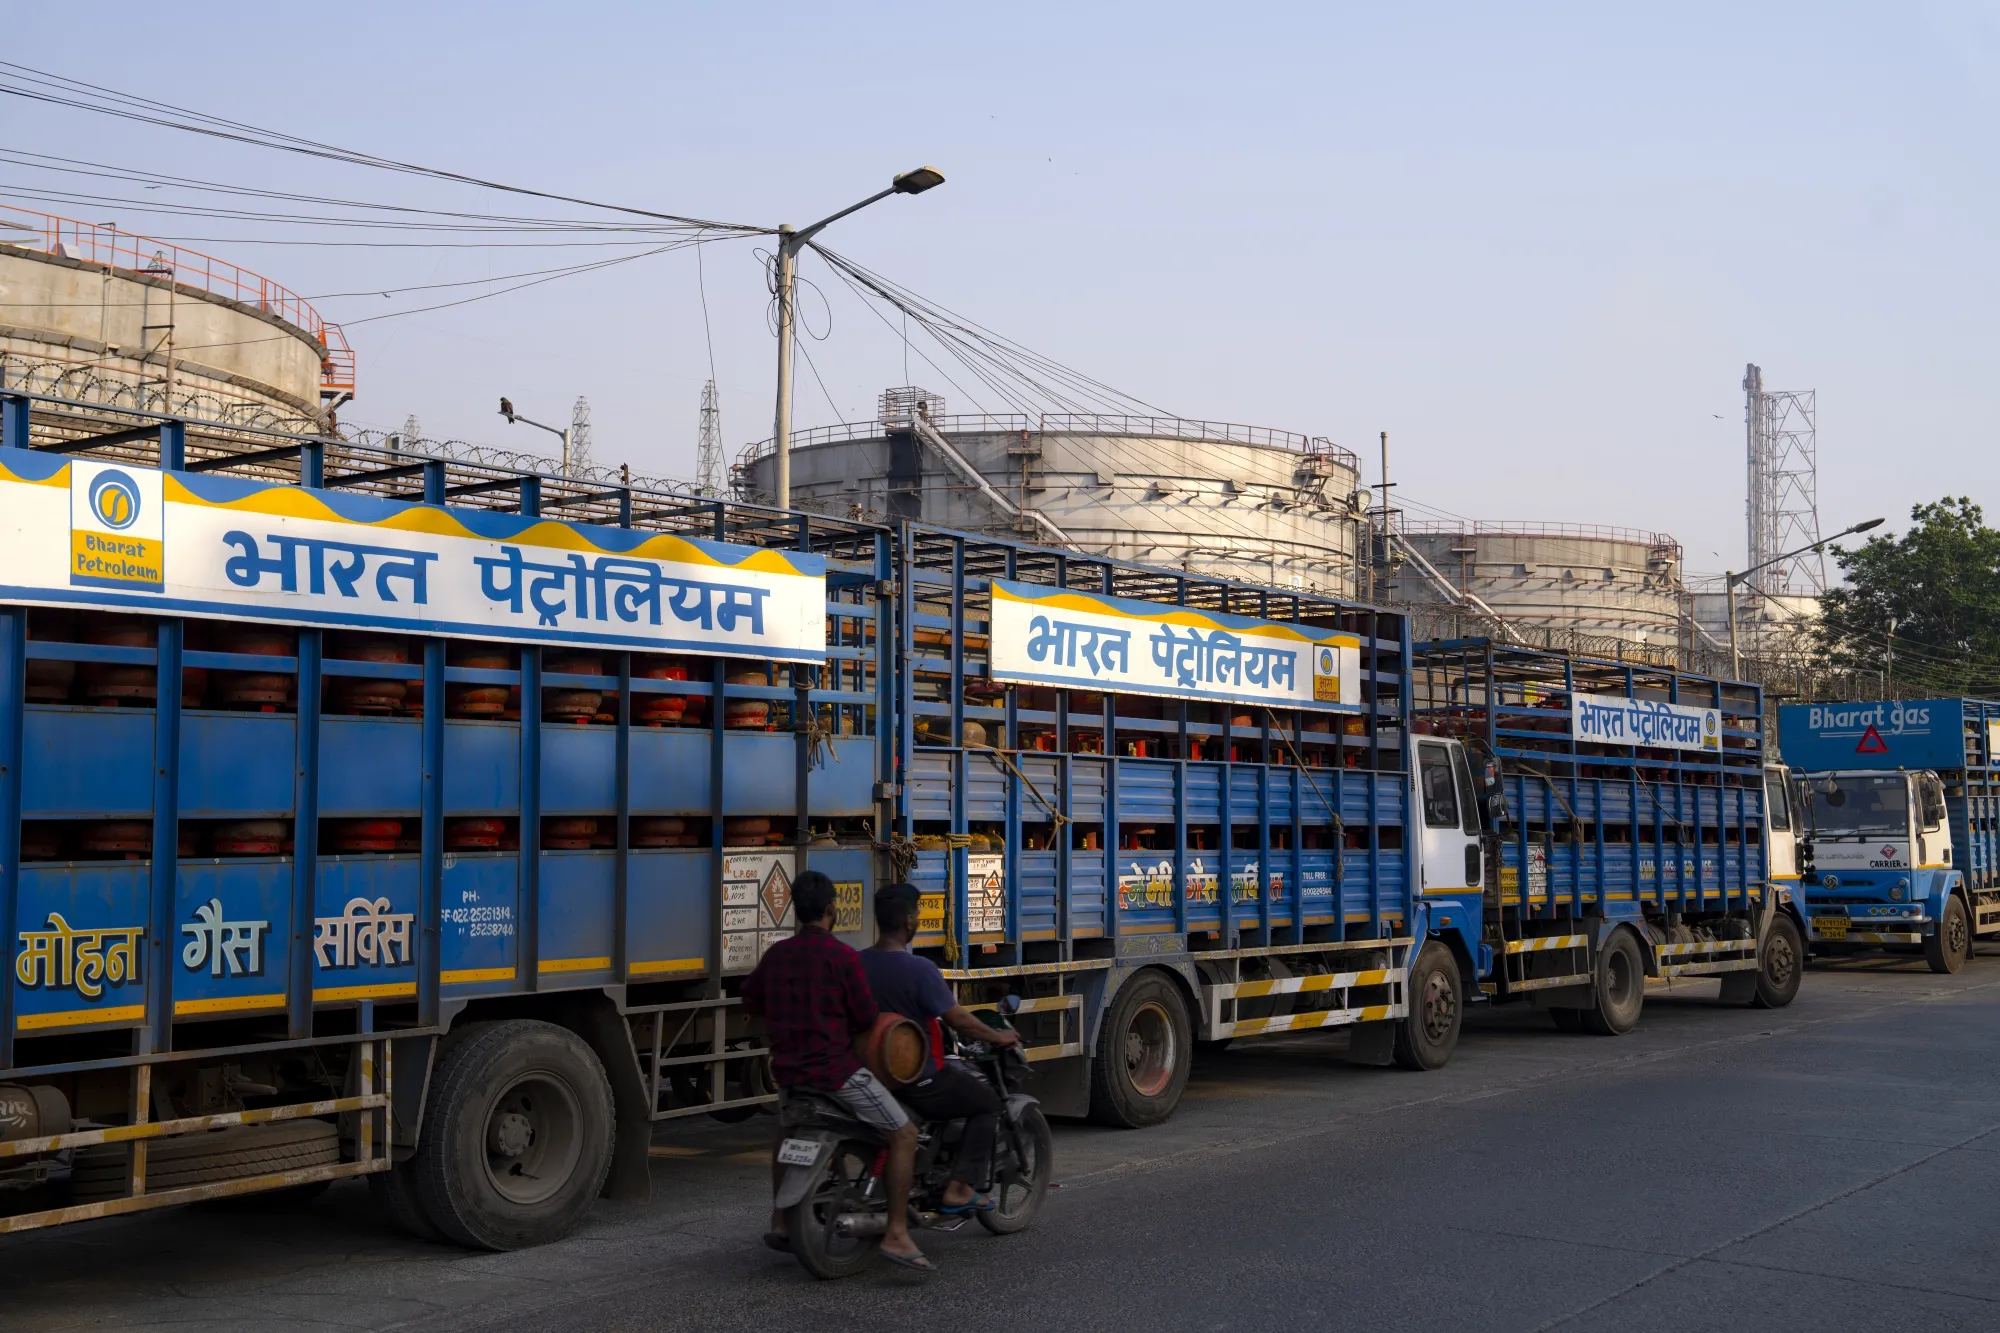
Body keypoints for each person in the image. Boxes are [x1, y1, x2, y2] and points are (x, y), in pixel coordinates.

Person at [741, 870, 930, 1272]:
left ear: (796, 911)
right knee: (904, 1134)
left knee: (787, 1131)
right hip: (836, 1075)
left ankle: (779, 1220)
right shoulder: (842, 956)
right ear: (831, 910)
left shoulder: (777, 955)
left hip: (790, 1075)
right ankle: (896, 1233)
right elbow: (864, 1015)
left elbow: (750, 998)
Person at [859, 882, 1021, 1214]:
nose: (917, 920)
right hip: (917, 1079)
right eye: (916, 914)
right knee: (986, 1103)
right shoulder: (919, 969)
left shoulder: (858, 963)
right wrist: (998, 1036)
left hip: (869, 1075)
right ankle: (959, 1189)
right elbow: (959, 1019)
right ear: (908, 922)